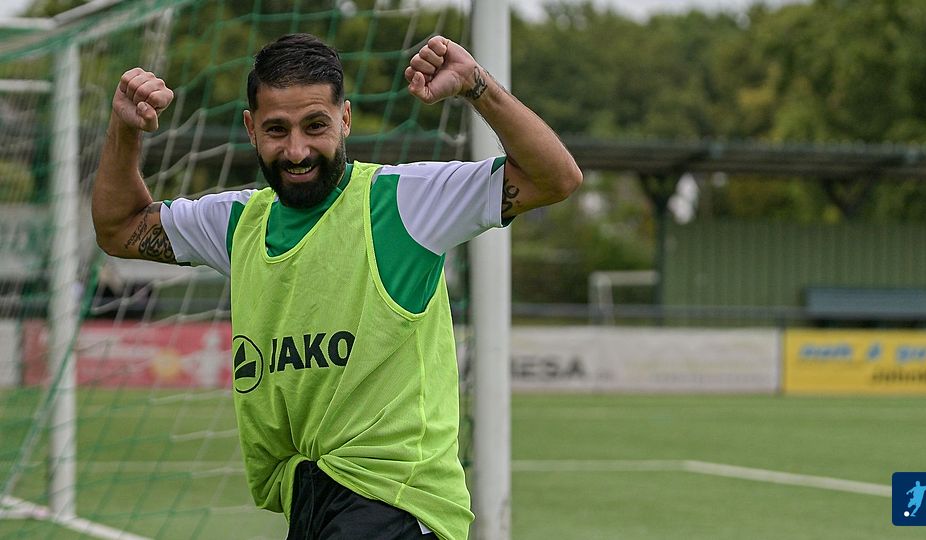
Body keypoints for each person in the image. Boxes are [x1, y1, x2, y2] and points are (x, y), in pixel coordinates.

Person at [92, 33, 581, 540]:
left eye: (315, 126)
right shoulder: (238, 224)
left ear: (344, 119)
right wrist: (125, 129)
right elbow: (119, 227)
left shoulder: (405, 202)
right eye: (277, 130)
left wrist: (477, 85)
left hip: (393, 502)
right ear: (251, 129)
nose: (297, 150)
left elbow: (555, 178)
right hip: (309, 497)